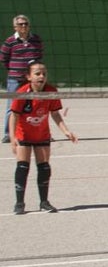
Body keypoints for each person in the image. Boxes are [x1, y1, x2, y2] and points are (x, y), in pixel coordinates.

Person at [8, 60, 76, 214]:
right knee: (22, 167)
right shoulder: (22, 93)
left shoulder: (51, 91)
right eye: (37, 73)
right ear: (29, 76)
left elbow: (55, 113)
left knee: (44, 167)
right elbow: (14, 116)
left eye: (44, 74)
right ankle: (19, 203)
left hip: (42, 135)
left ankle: (44, 202)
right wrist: (13, 139)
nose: (41, 76)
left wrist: (66, 131)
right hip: (24, 135)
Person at [2, 14, 45, 144]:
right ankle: (8, 134)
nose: (24, 26)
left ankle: (39, 132)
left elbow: (39, 55)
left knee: (37, 105)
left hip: (32, 79)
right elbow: (3, 58)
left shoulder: (36, 39)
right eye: (21, 24)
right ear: (15, 27)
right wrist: (15, 69)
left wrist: (34, 73)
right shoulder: (10, 41)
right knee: (12, 106)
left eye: (26, 23)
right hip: (15, 79)